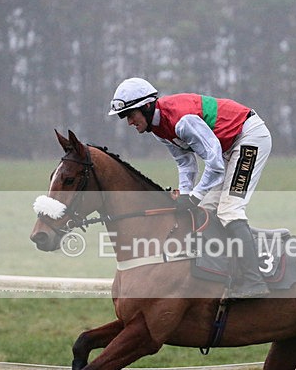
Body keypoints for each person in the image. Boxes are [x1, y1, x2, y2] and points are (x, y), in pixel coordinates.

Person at [108, 77, 271, 298]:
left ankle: (255, 281)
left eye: (129, 114)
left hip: (249, 138)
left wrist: (194, 195)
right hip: (228, 149)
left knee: (229, 209)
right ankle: (227, 273)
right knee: (204, 210)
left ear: (146, 106)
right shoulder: (158, 129)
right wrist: (186, 194)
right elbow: (185, 163)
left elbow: (214, 164)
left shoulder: (182, 120)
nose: (128, 122)